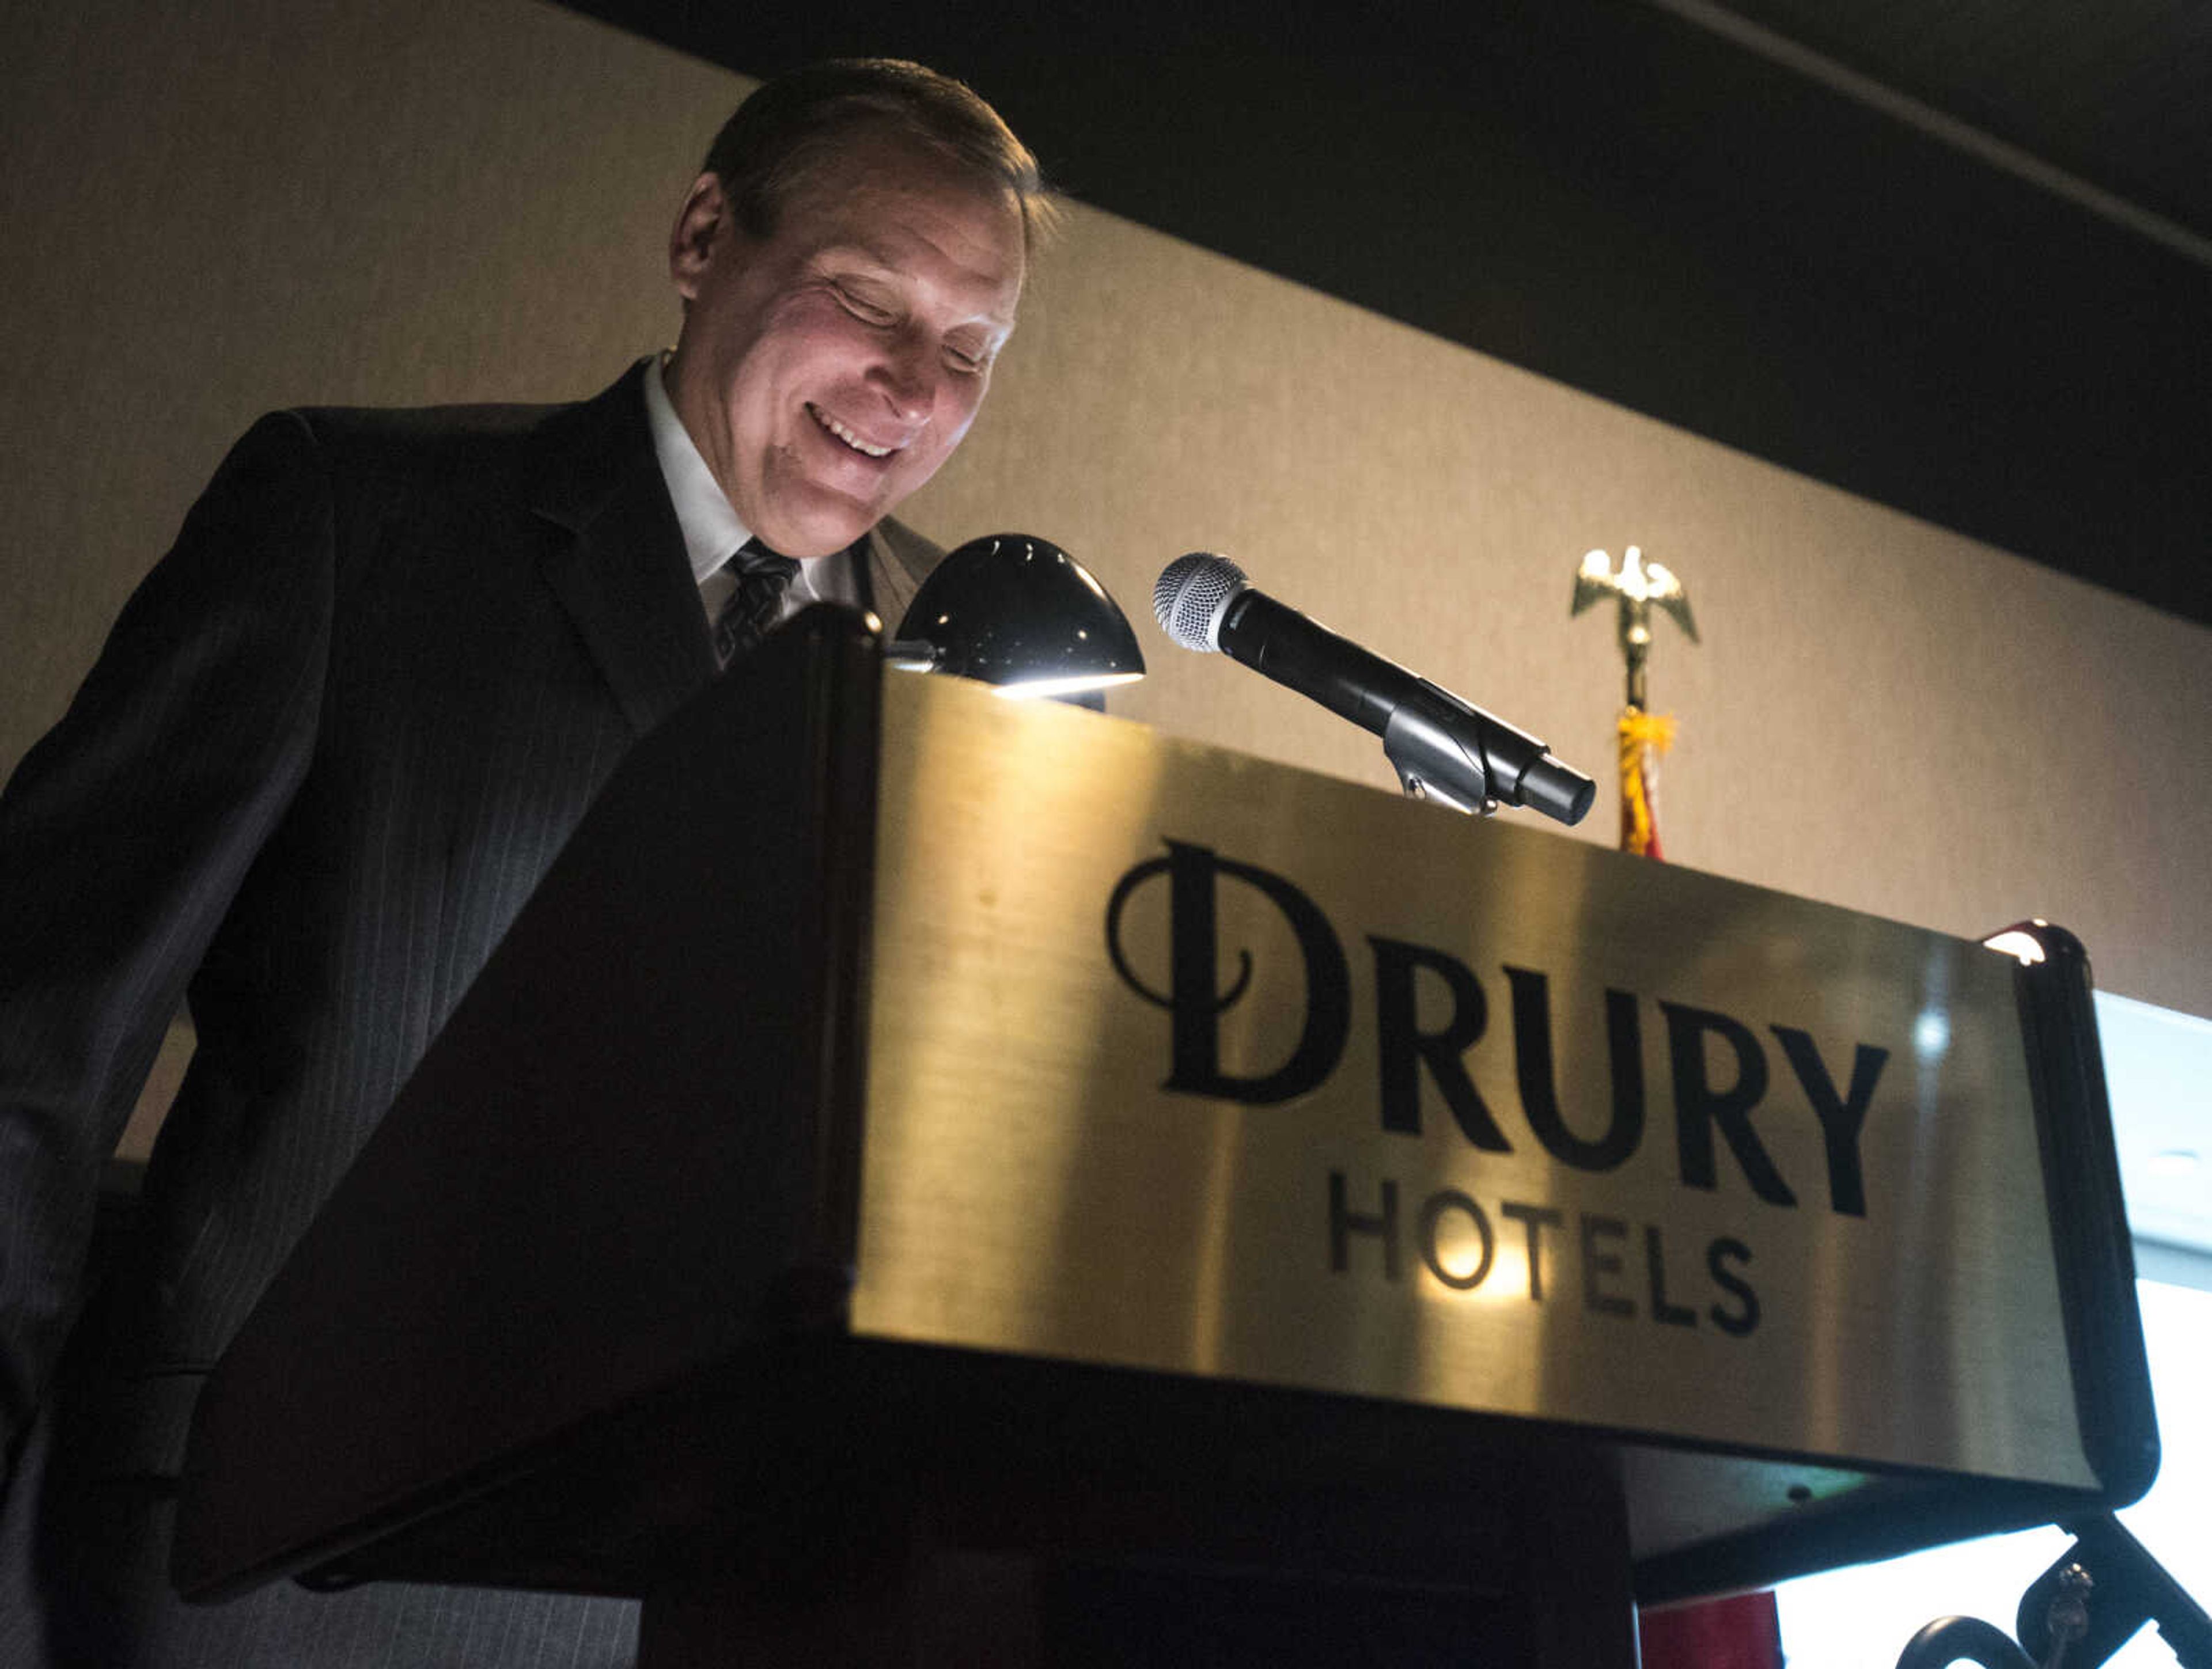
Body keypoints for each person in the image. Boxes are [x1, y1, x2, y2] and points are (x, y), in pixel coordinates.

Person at [0, 58, 1051, 1667]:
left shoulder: (981, 680)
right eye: (868, 300)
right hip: (270, 1570)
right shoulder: (357, 519)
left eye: (970, 351)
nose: (915, 386)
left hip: (757, 1601)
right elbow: (34, 1045)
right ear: (706, 237)